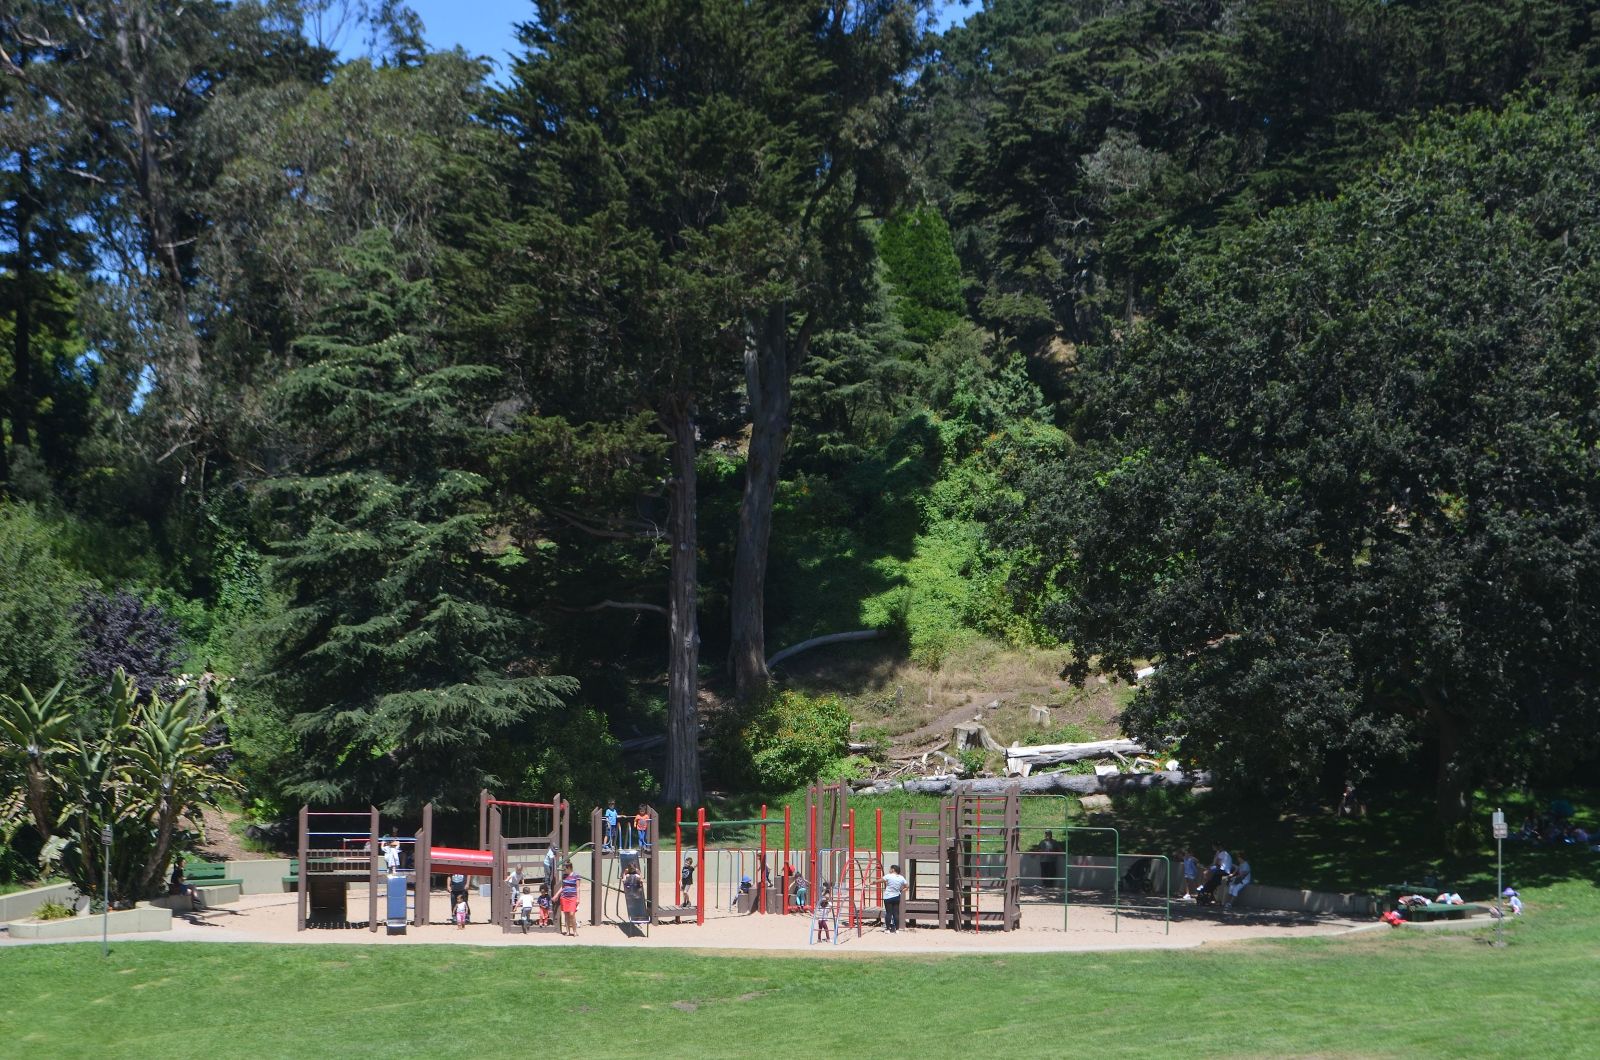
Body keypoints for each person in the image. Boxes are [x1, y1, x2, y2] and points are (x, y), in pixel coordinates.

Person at [880, 863, 908, 933]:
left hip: (888, 897)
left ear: (893, 869)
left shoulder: (888, 876)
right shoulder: (901, 877)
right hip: (896, 897)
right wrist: (901, 891)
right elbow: (907, 886)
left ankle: (887, 929)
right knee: (896, 913)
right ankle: (897, 929)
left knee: (888, 913)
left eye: (890, 868)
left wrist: (871, 882)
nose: (889, 870)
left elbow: (879, 881)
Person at [560, 860, 582, 936]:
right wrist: (557, 895)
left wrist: (578, 898)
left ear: (569, 868)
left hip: (573, 897)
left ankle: (575, 931)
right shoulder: (564, 876)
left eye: (565, 869)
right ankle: (567, 931)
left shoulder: (576, 875)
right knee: (566, 914)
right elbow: (563, 887)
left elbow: (578, 887)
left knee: (572, 914)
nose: (564, 870)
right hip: (564, 897)